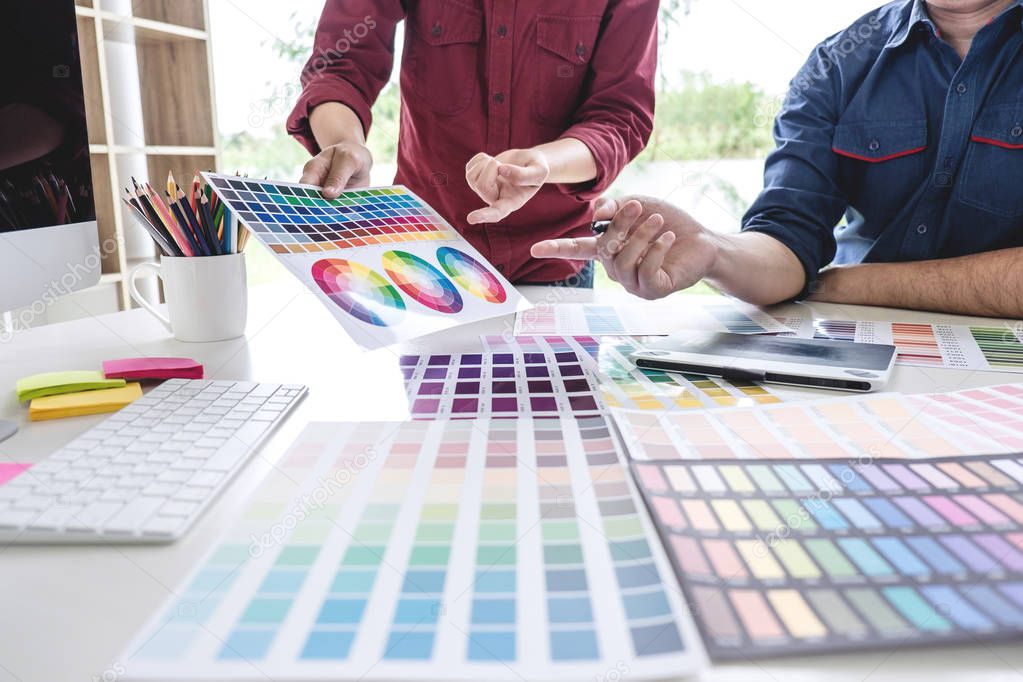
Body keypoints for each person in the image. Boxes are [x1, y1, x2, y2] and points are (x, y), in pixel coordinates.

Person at [533, 0, 1023, 317]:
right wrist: (713, 250)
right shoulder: (837, 63)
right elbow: (787, 244)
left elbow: (804, 281)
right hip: (866, 359)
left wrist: (836, 285)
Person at [287, 1, 659, 287]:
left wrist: (543, 162)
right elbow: (339, 63)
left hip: (555, 267)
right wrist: (344, 143)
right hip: (424, 256)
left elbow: (620, 115)